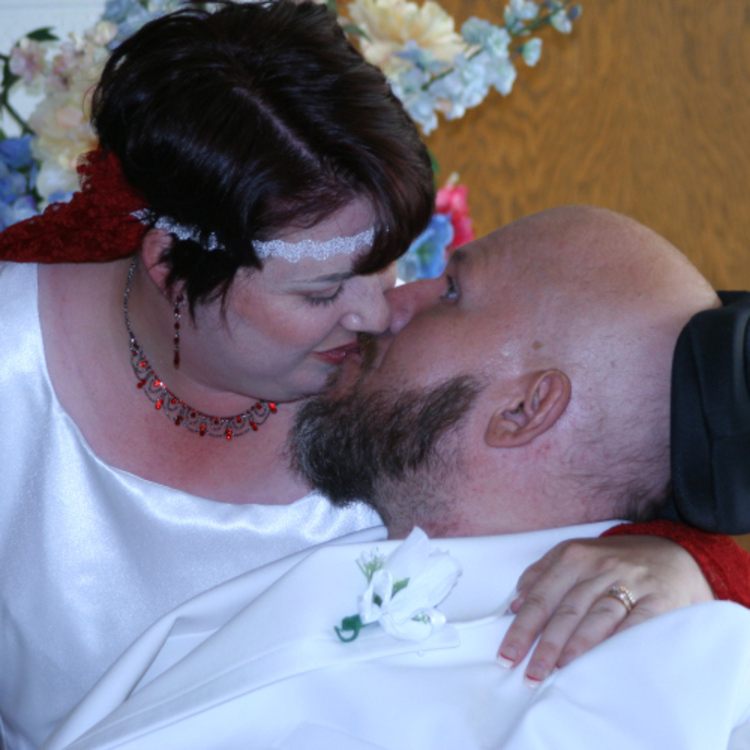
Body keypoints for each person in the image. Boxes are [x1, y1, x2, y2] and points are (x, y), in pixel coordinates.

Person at [0, 2, 743, 746]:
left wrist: (685, 565)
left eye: (389, 262)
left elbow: (598, 465)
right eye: (322, 291)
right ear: (168, 266)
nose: (379, 311)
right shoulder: (15, 366)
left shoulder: (397, 405)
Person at [40, 206, 750, 750]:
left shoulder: (649, 675)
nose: (391, 305)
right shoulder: (366, 507)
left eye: (451, 292)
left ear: (525, 410)